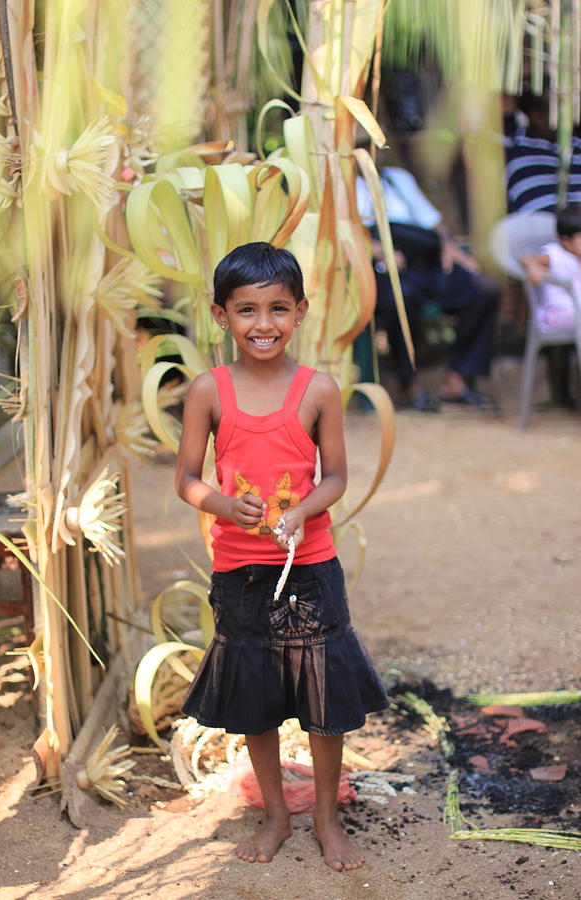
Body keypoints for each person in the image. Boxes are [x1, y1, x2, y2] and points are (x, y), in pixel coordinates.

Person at [174, 242, 388, 871]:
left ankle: (325, 816)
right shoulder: (208, 391)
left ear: (300, 312)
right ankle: (275, 814)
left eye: (277, 309)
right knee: (255, 696)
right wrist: (217, 503)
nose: (262, 324)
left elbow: (337, 477)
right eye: (246, 310)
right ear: (221, 316)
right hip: (239, 572)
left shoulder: (318, 389)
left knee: (322, 697)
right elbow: (186, 476)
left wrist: (302, 511)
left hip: (310, 566)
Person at [356, 167, 500, 411]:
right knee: (400, 298)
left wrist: (448, 245)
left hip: (427, 261)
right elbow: (342, 233)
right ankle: (408, 386)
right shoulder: (340, 181)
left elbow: (433, 221)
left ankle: (457, 379)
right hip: (385, 267)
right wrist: (378, 250)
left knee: (483, 289)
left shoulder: (398, 177)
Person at [519, 205, 581, 331]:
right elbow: (525, 258)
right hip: (557, 314)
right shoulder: (555, 254)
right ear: (566, 241)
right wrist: (533, 268)